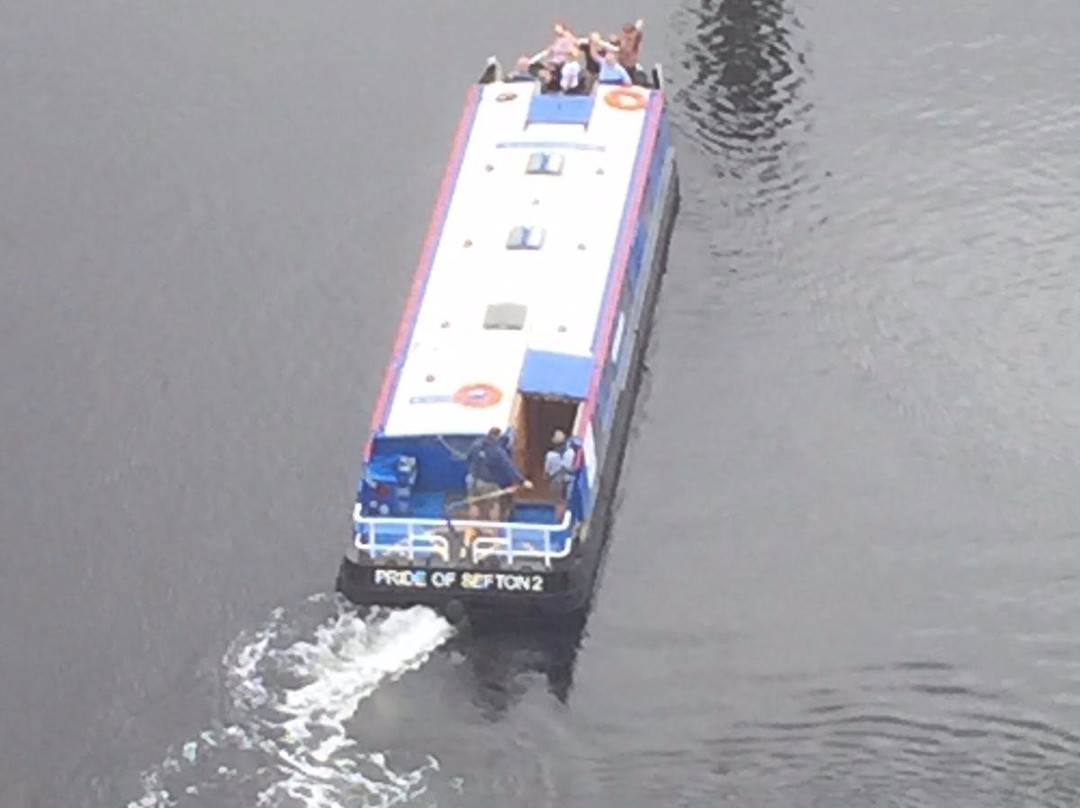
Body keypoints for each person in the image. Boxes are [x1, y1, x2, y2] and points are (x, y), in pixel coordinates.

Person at [465, 427, 532, 521]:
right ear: (497, 437)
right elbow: (509, 467)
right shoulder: (497, 451)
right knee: (494, 505)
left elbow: (468, 458)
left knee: (474, 503)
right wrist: (522, 481)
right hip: (488, 483)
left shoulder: (476, 445)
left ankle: (473, 527)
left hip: (473, 479)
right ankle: (494, 530)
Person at [543, 430, 576, 501]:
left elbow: (546, 474)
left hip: (556, 483)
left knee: (555, 504)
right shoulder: (571, 453)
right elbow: (575, 469)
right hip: (569, 484)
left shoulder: (550, 456)